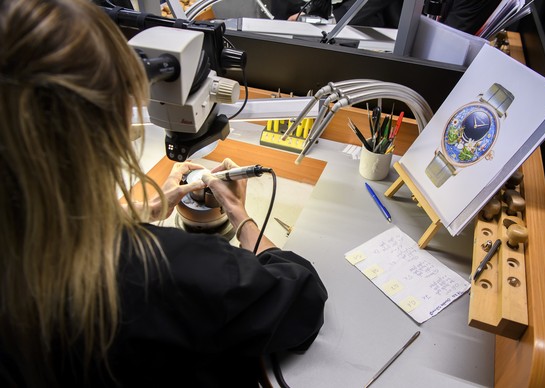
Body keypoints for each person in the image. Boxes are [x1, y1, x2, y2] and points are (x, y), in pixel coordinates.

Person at [0, 0, 327, 387]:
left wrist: (145, 208)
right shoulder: (162, 269)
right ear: (117, 120)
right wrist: (240, 215)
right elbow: (302, 299)